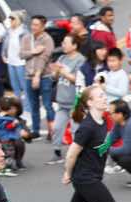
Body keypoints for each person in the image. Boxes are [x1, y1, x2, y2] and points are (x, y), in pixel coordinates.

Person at [47, 33, 85, 166]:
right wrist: (56, 71)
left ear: (74, 46)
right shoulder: (62, 58)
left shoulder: (81, 60)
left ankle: (77, 155)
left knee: (75, 130)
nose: (63, 45)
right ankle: (57, 152)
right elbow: (53, 78)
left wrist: (64, 72)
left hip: (75, 101)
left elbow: (78, 79)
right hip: (61, 100)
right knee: (57, 128)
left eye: (66, 43)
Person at [20, 15, 55, 140]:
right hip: (28, 75)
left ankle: (52, 131)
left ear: (43, 26)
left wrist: (37, 75)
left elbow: (44, 58)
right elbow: (21, 54)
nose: (33, 27)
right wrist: (33, 52)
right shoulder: (26, 38)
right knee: (33, 105)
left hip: (44, 76)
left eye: (36, 25)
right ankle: (35, 130)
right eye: (32, 24)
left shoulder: (47, 39)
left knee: (47, 104)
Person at [0, 96, 31, 176]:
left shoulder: (17, 120)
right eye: (9, 108)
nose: (11, 110)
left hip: (9, 140)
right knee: (1, 151)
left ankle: (15, 161)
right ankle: (2, 166)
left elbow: (27, 135)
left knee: (17, 144)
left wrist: (26, 134)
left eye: (13, 108)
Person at [3, 11, 29, 113]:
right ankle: (18, 106)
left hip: (21, 62)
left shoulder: (24, 32)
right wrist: (3, 54)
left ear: (19, 20)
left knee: (24, 86)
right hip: (11, 60)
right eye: (10, 18)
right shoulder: (9, 31)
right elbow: (5, 43)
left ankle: (27, 107)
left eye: (13, 18)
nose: (11, 20)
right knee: (15, 86)